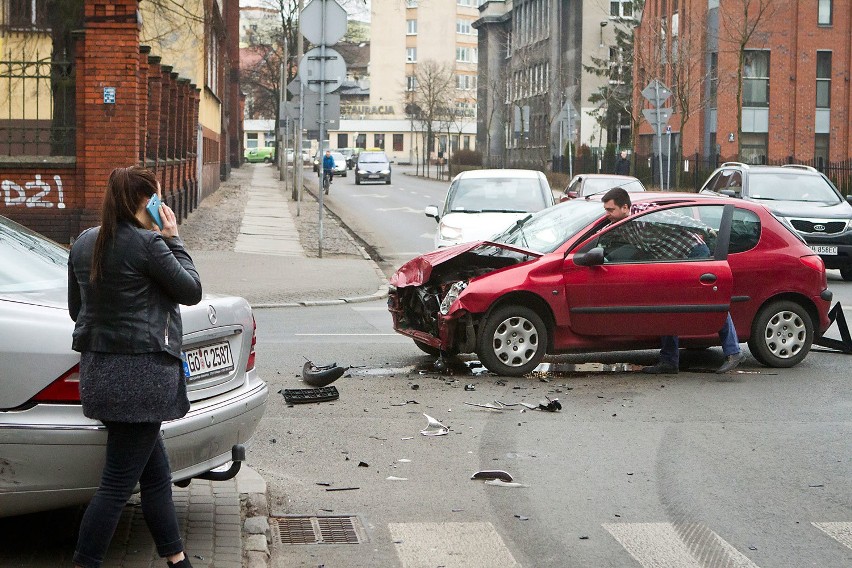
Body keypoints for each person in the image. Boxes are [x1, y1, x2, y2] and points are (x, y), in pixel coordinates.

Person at [68, 166, 202, 568]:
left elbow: (79, 311)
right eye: (159, 198)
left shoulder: (83, 243)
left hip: (101, 376)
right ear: (147, 203)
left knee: (155, 472)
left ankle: (177, 560)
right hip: (143, 379)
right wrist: (174, 239)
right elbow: (191, 290)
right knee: (115, 484)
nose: (163, 205)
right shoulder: (150, 245)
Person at [599, 187, 746, 375]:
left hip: (691, 253)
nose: (607, 214)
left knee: (708, 302)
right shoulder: (621, 223)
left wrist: (705, 229)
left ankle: (733, 352)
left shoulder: (646, 214)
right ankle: (669, 361)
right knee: (667, 306)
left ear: (625, 207)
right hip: (670, 261)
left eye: (610, 210)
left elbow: (677, 219)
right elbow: (602, 233)